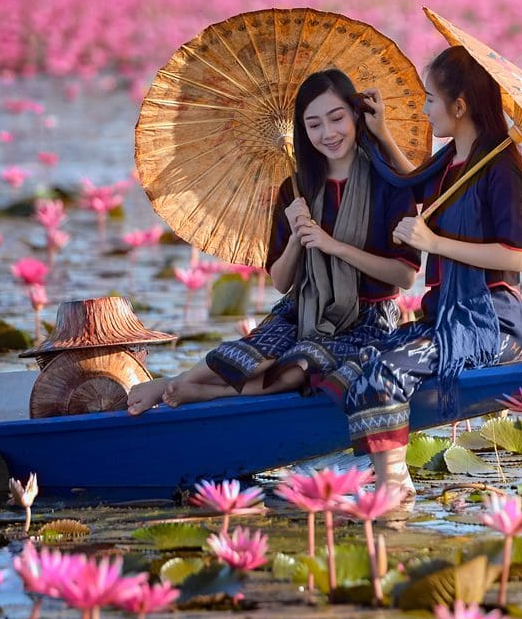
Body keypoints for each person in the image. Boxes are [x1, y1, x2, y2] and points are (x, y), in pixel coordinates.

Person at [126, 69, 421, 415]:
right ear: (302, 130)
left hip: (368, 319)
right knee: (249, 357)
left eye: (336, 118)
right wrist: (297, 237)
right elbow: (281, 283)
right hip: (305, 309)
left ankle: (208, 395)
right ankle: (172, 382)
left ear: (356, 115)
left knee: (296, 370)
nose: (328, 133)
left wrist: (334, 246)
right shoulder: (295, 190)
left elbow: (405, 276)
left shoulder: (388, 183)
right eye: (313, 125)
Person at [315, 46, 522, 498]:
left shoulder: (502, 167)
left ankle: (395, 486)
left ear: (460, 105)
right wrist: (381, 133)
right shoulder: (453, 158)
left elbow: (516, 258)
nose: (424, 108)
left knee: (384, 374)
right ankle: (363, 469)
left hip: (489, 324)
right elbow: (413, 186)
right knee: (354, 362)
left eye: (431, 99)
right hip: (444, 319)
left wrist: (434, 244)